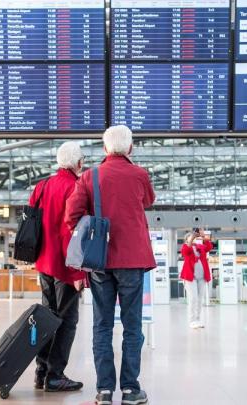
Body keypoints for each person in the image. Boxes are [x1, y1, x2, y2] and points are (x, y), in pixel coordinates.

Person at [65, 125, 155, 405]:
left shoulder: (90, 176)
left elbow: (71, 215)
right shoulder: (140, 175)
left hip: (101, 262)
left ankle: (104, 391)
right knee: (132, 325)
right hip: (133, 261)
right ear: (130, 148)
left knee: (102, 326)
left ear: (105, 148)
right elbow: (149, 201)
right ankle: (130, 390)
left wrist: (88, 231)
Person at [29, 141, 86, 392]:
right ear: (79, 163)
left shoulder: (41, 186)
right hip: (65, 267)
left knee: (46, 317)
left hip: (44, 263)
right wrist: (77, 272)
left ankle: (41, 371)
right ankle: (55, 375)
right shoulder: (75, 187)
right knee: (66, 321)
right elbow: (70, 233)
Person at [180, 229, 213, 329]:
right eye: (191, 237)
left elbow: (209, 247)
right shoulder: (185, 247)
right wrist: (191, 239)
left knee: (199, 299)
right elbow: (185, 252)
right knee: (193, 298)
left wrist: (203, 236)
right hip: (190, 278)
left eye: (194, 237)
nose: (194, 238)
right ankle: (192, 320)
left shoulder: (200, 247)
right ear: (187, 239)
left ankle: (197, 319)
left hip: (202, 277)